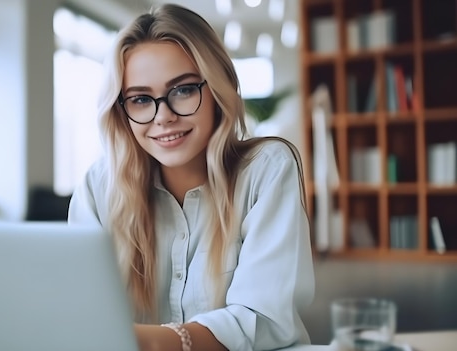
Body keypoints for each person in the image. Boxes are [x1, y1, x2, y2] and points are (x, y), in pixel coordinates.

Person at [68, 3, 315, 351]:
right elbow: (78, 313)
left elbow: (265, 320)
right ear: (121, 111)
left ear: (217, 89)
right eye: (140, 99)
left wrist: (147, 341)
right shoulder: (99, 187)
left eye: (183, 90)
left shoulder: (266, 170)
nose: (163, 116)